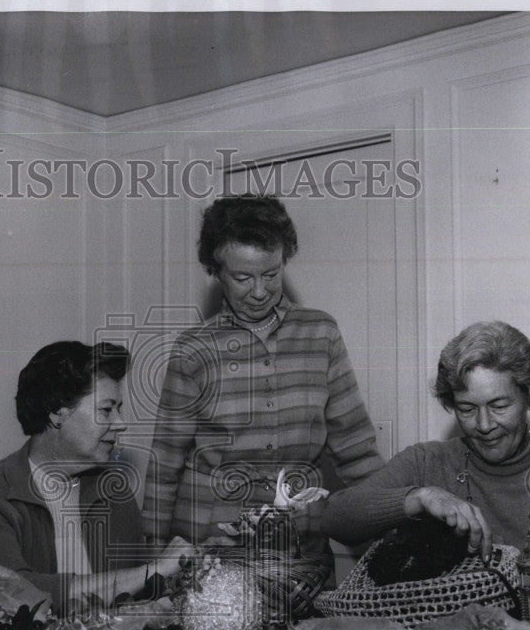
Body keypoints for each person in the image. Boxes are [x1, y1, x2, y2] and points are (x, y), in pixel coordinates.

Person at [142, 195, 383, 580]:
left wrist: (389, 521)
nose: (259, 291)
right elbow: (164, 462)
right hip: (210, 550)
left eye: (270, 274)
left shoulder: (320, 333)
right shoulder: (194, 348)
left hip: (298, 548)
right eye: (242, 278)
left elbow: (356, 449)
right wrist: (154, 563)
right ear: (216, 272)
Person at [300, 321, 530, 562]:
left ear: (529, 396)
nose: (484, 425)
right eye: (467, 409)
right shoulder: (427, 463)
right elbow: (335, 518)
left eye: (500, 405)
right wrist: (420, 497)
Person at [0, 341, 194, 614]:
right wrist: (155, 570)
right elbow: (14, 593)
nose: (120, 422)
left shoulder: (114, 491)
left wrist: (193, 564)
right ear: (57, 413)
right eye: (106, 409)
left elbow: (139, 584)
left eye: (119, 408)